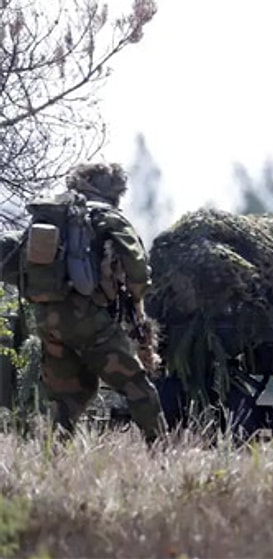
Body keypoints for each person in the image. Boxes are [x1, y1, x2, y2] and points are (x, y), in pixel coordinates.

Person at [31, 163, 166, 444]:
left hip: (47, 319)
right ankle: (164, 453)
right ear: (115, 192)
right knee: (138, 388)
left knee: (69, 396)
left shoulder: (56, 215)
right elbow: (138, 274)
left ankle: (51, 459)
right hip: (90, 322)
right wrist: (135, 299)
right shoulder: (109, 218)